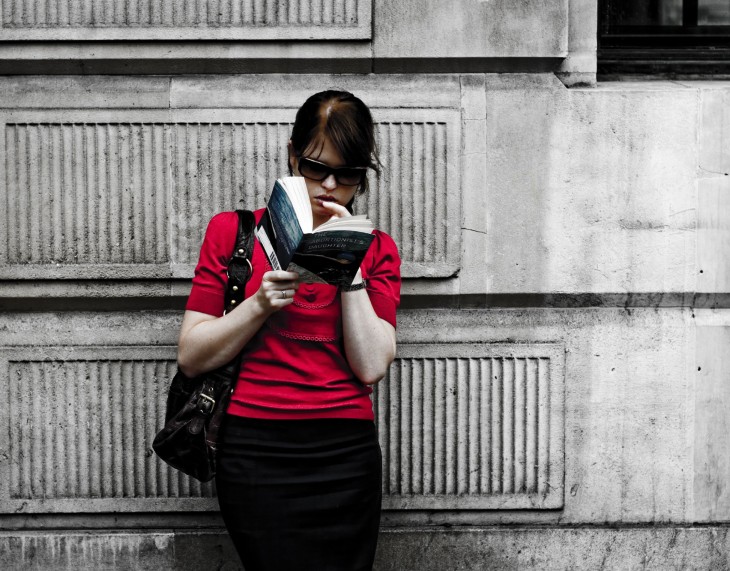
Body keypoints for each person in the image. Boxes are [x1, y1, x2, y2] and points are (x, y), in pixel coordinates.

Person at [177, 90, 401, 571]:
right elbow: (192, 356)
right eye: (316, 168)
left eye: (348, 175)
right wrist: (258, 304)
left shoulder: (378, 250)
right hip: (255, 448)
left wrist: (351, 269)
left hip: (344, 450)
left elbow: (371, 365)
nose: (330, 186)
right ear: (292, 155)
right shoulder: (231, 234)